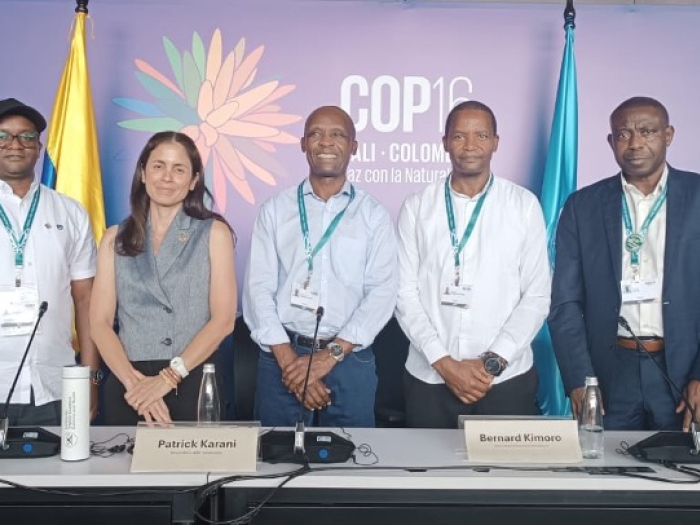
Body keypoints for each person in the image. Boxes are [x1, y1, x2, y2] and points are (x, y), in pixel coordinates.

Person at [396, 101, 550, 428]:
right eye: (459, 136)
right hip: (431, 378)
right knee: (429, 477)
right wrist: (444, 362)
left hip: (506, 380)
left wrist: (491, 364)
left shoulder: (523, 206)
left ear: (496, 141)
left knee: (506, 479)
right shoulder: (417, 207)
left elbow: (536, 296)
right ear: (444, 142)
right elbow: (404, 295)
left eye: (481, 135)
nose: (470, 146)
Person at [550, 96, 700, 431]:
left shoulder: (697, 196)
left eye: (647, 131)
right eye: (623, 134)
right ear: (610, 141)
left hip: (684, 370)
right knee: (604, 476)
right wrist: (580, 378)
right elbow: (565, 303)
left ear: (669, 135)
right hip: (608, 375)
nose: (634, 143)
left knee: (683, 478)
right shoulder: (582, 206)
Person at [243, 106, 397, 427]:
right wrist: (291, 365)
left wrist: (328, 358)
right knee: (276, 463)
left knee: (352, 465)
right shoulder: (274, 211)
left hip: (349, 359)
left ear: (353, 147)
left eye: (337, 134)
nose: (326, 142)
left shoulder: (373, 215)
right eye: (316, 134)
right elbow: (258, 289)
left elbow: (382, 292)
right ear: (302, 144)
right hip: (282, 358)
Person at [90, 131, 236, 425]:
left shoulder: (213, 233)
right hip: (129, 380)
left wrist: (168, 378)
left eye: (178, 169)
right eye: (158, 166)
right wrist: (134, 384)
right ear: (143, 173)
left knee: (193, 470)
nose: (167, 177)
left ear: (194, 180)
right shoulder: (114, 238)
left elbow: (223, 320)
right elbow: (99, 322)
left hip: (192, 375)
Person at [0, 98, 99, 425]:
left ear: (39, 147)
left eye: (26, 136)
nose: (15, 145)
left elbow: (86, 301)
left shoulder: (70, 212)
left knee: (51, 476)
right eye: (3, 135)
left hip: (52, 384)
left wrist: (90, 379)